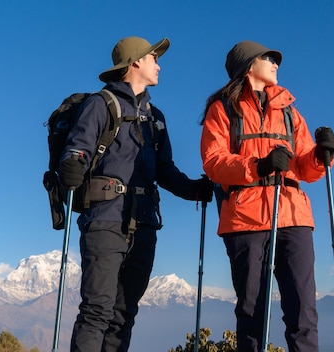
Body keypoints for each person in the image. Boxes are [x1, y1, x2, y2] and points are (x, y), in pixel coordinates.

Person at [58, 36, 213, 351]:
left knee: (123, 314)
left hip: (144, 226)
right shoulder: (100, 104)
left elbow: (165, 170)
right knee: (97, 311)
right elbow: (79, 148)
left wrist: (193, 189)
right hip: (104, 220)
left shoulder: (156, 119)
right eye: (154, 58)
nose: (159, 65)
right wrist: (72, 163)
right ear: (135, 62)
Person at [199, 40, 334, 352]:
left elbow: (305, 167)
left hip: (293, 215)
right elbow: (213, 163)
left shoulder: (289, 112)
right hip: (245, 219)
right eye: (267, 58)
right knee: (252, 312)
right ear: (249, 66)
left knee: (303, 310)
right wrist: (258, 166)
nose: (275, 64)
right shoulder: (222, 110)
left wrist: (322, 155)